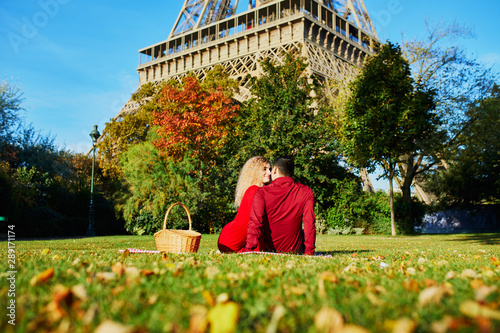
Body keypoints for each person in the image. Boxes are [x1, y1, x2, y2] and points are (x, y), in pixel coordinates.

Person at [244, 156, 316, 255]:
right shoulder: (306, 191)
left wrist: (249, 249)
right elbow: (309, 223)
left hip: (271, 250)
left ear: (275, 170)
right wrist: (309, 253)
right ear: (292, 173)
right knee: (303, 232)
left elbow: (255, 222)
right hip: (294, 250)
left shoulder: (262, 193)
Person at [217, 156, 271, 253]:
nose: (269, 173)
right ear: (255, 172)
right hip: (231, 240)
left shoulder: (258, 191)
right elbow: (255, 223)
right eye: (265, 169)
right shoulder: (254, 190)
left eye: (269, 169)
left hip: (236, 239)